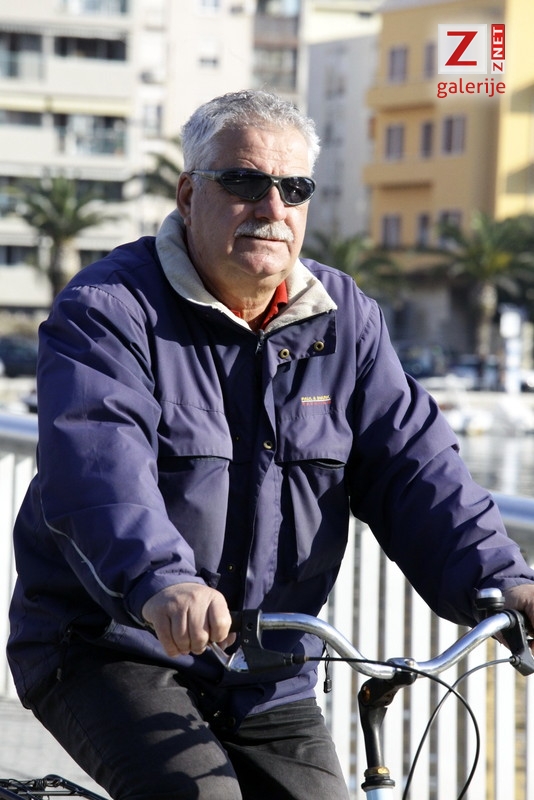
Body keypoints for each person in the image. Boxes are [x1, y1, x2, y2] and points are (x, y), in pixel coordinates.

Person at [7, 89, 534, 800]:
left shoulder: (346, 321)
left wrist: (504, 582)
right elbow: (99, 474)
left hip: (267, 670)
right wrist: (162, 582)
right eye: (244, 182)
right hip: (110, 645)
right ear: (188, 194)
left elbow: (417, 471)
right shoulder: (109, 311)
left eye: (295, 189)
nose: (273, 207)